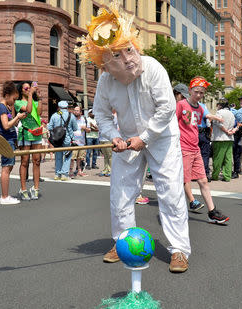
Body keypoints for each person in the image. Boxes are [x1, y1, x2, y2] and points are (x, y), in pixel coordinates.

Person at [75, 0, 191, 272]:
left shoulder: (153, 68)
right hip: (126, 140)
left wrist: (146, 137)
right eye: (117, 55)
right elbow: (101, 114)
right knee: (121, 193)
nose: (127, 59)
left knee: (171, 191)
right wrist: (114, 136)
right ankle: (122, 240)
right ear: (105, 64)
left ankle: (179, 250)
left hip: (161, 138)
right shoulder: (105, 81)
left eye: (128, 50)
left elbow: (167, 108)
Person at [176, 77, 230, 225]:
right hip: (183, 148)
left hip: (195, 148)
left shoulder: (200, 107)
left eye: (202, 92)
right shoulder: (181, 104)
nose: (199, 95)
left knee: (203, 180)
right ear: (189, 90)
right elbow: (171, 123)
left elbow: (203, 119)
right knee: (183, 180)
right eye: (196, 92)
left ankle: (212, 212)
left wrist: (216, 118)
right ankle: (179, 210)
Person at [0, 81, 27, 205]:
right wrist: (17, 117)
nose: (14, 102)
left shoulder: (6, 107)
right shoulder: (2, 107)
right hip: (6, 140)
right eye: (14, 98)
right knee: (6, 168)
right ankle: (4, 197)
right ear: (7, 95)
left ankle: (5, 196)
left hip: (10, 140)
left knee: (8, 167)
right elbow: (6, 125)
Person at [174, 83, 212, 181]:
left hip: (197, 137)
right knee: (183, 176)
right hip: (181, 142)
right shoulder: (179, 105)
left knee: (203, 157)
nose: (198, 95)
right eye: (182, 96)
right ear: (176, 94)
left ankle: (202, 173)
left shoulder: (198, 106)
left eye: (201, 93)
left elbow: (193, 122)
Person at [15, 81, 43, 201]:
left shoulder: (35, 100)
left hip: (37, 133)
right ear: (21, 90)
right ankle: (23, 188)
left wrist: (39, 97)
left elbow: (40, 112)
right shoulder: (18, 102)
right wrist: (31, 95)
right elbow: (29, 109)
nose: (28, 90)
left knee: (37, 161)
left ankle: (36, 188)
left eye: (29, 88)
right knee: (25, 161)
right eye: (26, 88)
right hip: (25, 133)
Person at [48, 101, 78, 181]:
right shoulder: (71, 116)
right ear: (67, 107)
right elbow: (75, 128)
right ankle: (64, 174)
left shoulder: (54, 115)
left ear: (59, 107)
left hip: (57, 139)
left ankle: (57, 174)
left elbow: (50, 127)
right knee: (67, 156)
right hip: (67, 139)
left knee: (58, 156)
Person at [211, 100, 236, 182]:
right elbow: (233, 124)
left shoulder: (219, 113)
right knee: (228, 158)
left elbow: (219, 124)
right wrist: (230, 131)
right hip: (229, 138)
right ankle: (227, 176)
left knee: (218, 157)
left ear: (220, 105)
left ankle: (215, 175)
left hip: (219, 137)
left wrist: (226, 131)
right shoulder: (231, 113)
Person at [70, 105, 90, 177]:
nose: (75, 112)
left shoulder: (84, 119)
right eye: (74, 110)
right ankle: (70, 172)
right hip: (73, 142)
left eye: (77, 110)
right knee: (72, 158)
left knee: (80, 158)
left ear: (81, 112)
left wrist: (85, 129)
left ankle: (79, 171)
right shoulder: (71, 119)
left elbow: (89, 130)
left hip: (82, 142)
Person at [97, 109, 117, 177]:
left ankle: (111, 169)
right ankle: (106, 168)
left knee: (110, 156)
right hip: (102, 139)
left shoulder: (114, 117)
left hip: (109, 139)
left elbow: (115, 127)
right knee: (105, 156)